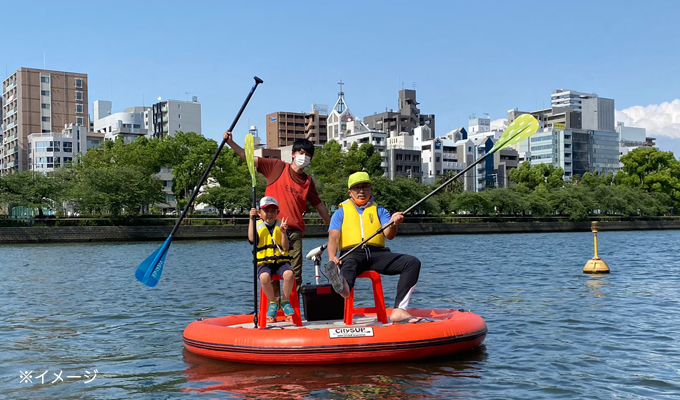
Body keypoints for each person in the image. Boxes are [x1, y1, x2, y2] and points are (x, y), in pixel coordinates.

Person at [224, 131, 331, 302]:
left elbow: (320, 206)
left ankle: (292, 309)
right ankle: (276, 309)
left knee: (294, 273)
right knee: (270, 270)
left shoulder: (308, 182)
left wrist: (332, 227)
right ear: (294, 154)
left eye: (308, 155)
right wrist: (231, 142)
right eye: (301, 153)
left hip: (293, 232)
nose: (304, 157)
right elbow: (248, 158)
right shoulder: (276, 166)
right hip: (269, 228)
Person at [325, 172, 424, 324]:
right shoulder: (340, 212)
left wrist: (393, 223)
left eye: (365, 187)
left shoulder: (380, 211)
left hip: (377, 254)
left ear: (371, 189)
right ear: (349, 192)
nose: (361, 191)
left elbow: (389, 235)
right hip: (352, 253)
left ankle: (399, 310)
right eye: (357, 188)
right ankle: (343, 287)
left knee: (412, 262)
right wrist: (332, 258)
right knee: (348, 266)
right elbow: (333, 237)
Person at [248, 196, 296, 323]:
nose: (269, 213)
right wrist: (251, 219)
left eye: (273, 211)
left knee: (289, 274)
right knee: (264, 277)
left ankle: (285, 300)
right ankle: (273, 301)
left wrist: (283, 233)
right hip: (264, 263)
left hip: (281, 262)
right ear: (260, 213)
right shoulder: (257, 225)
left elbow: (285, 247)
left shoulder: (282, 225)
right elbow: (252, 239)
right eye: (266, 210)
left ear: (277, 212)